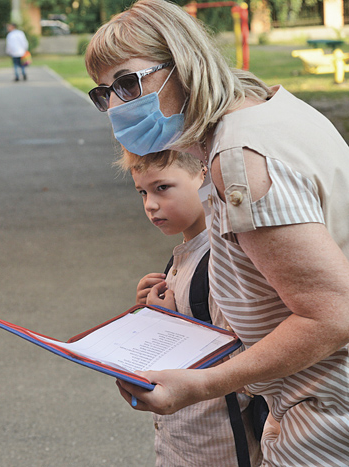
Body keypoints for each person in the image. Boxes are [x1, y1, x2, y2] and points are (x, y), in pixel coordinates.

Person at [85, 0, 349, 464]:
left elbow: (332, 315)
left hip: (325, 408)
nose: (116, 105)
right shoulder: (269, 108)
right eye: (104, 92)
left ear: (183, 64)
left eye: (128, 83)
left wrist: (202, 385)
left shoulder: (239, 157)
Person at [122, 149, 261, 467]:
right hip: (178, 437)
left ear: (203, 173)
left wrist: (170, 324)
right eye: (143, 192)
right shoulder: (184, 256)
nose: (150, 205)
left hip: (218, 443)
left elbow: (249, 364)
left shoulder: (223, 263)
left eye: (162, 188)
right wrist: (151, 314)